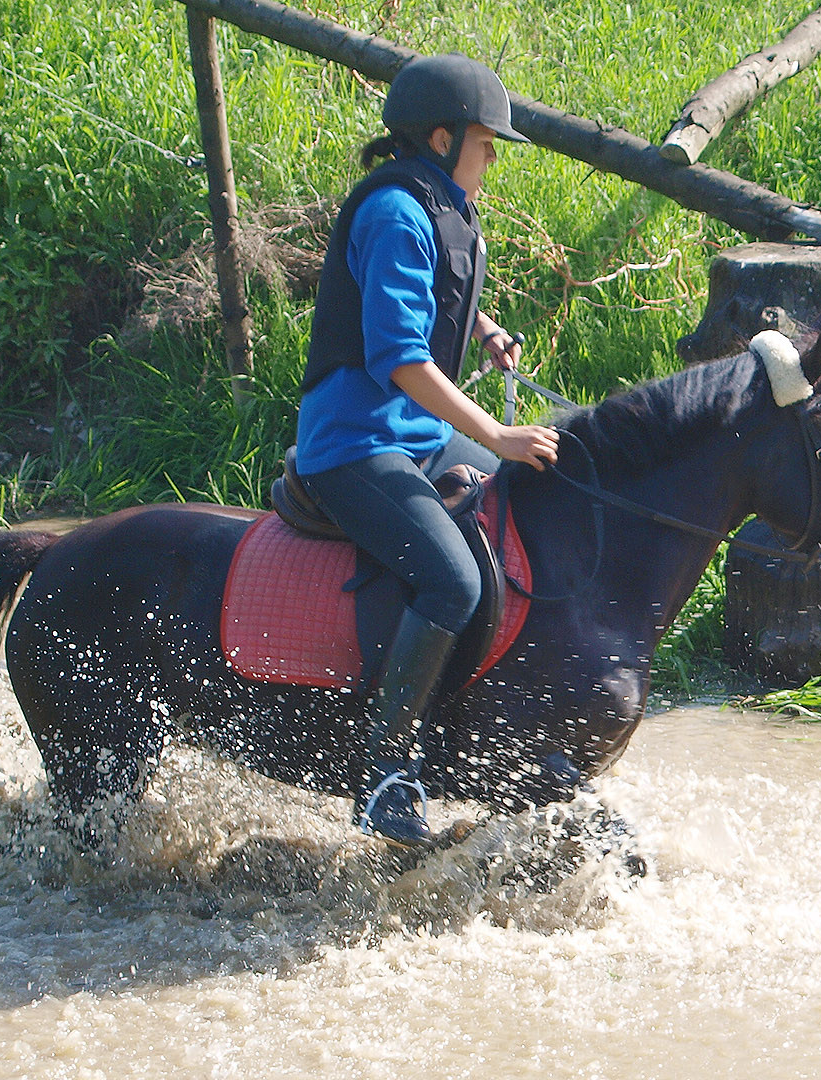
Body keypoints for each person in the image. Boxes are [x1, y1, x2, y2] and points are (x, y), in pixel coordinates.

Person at [294, 53, 558, 847]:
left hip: (413, 436)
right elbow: (402, 359)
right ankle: (382, 774)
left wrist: (485, 328)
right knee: (449, 579)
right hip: (355, 444)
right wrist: (497, 434)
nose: (492, 161)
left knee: (513, 524)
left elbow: (437, 296)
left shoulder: (443, 205)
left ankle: (462, 724)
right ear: (441, 138)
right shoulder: (394, 213)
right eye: (485, 145)